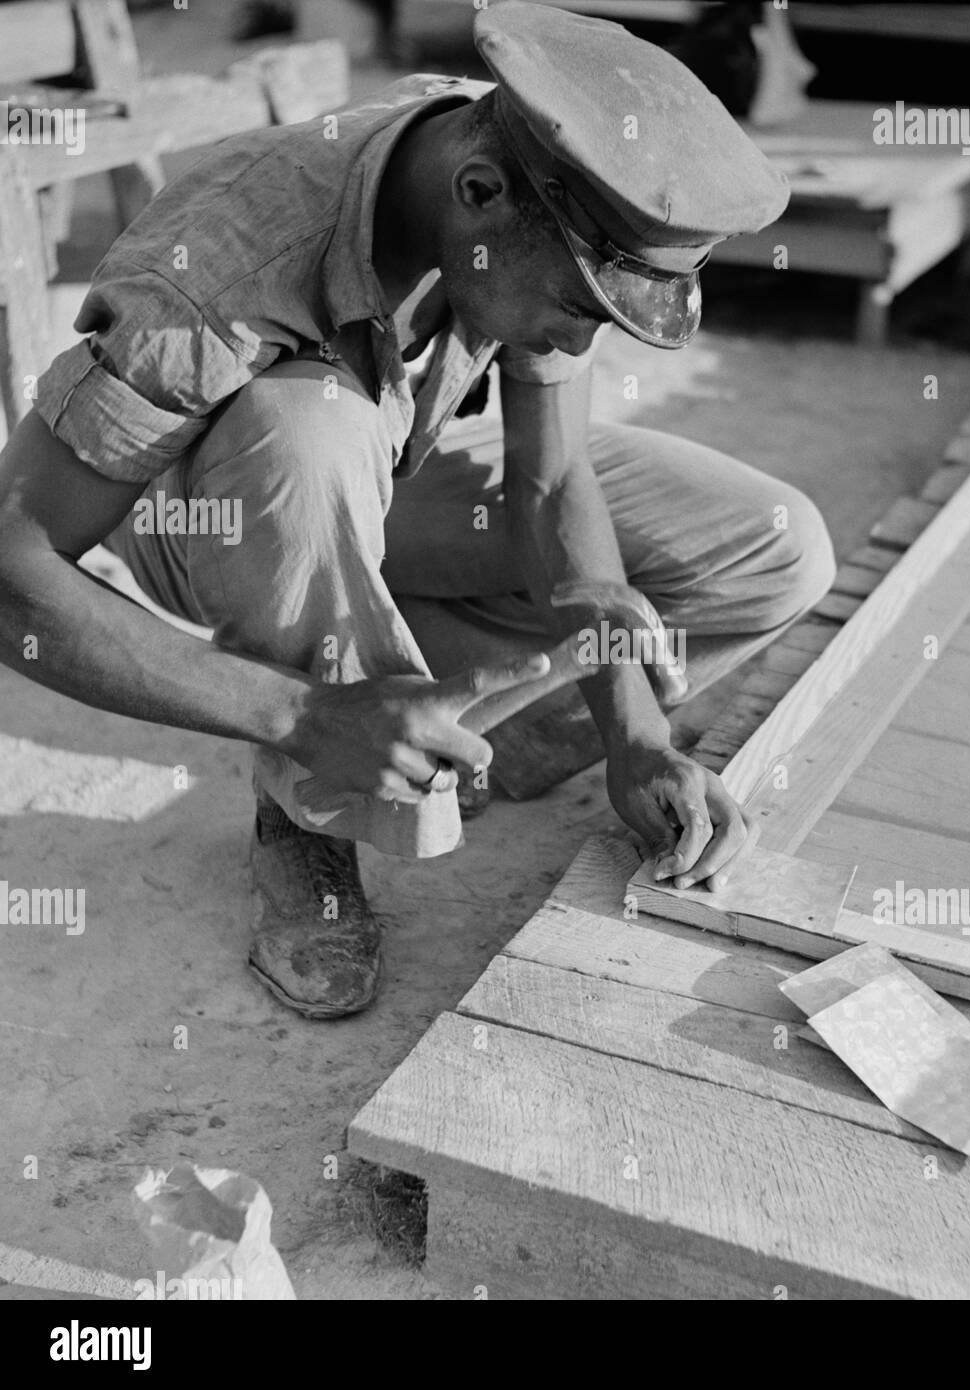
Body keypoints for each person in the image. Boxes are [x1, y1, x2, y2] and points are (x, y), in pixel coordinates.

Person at [0, 2, 835, 1018]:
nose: (577, 345)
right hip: (214, 509)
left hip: (389, 469)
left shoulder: (523, 176)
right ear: (478, 196)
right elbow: (13, 573)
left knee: (777, 548)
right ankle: (312, 809)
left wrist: (635, 731)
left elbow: (549, 480)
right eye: (578, 314)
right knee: (300, 430)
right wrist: (302, 712)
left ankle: (486, 734)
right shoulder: (219, 270)